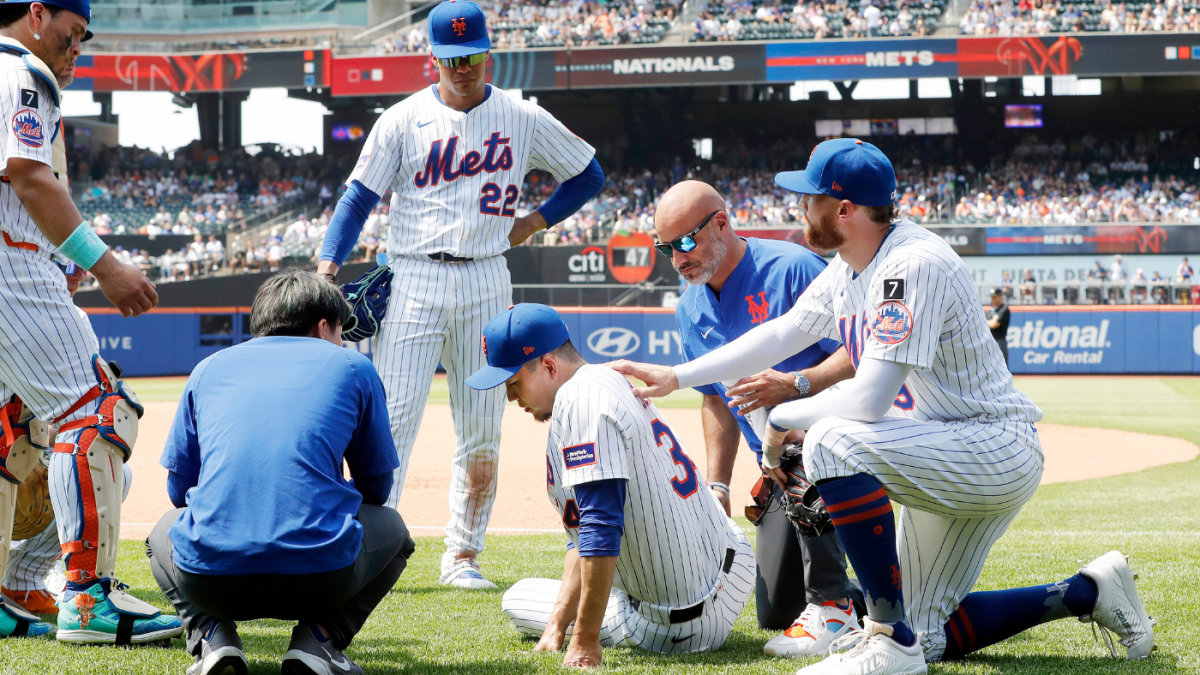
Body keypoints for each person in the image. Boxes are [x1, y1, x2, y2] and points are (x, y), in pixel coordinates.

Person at [611, 138, 1154, 674]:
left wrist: (777, 424)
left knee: (832, 440)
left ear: (843, 210)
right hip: (942, 442)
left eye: (810, 198)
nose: (800, 208)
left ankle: (885, 638)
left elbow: (869, 399)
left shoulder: (911, 263)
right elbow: (783, 332)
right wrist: (676, 376)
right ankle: (1088, 592)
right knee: (930, 637)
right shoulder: (852, 264)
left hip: (993, 446)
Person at [315, 0, 604, 589]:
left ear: (488, 54)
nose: (461, 67)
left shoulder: (521, 116)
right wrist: (326, 269)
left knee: (482, 429)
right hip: (413, 274)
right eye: (450, 58)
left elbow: (589, 173)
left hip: (486, 276)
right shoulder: (400, 119)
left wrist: (536, 221)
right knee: (388, 426)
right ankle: (372, 549)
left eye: (470, 56)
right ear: (433, 58)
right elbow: (358, 198)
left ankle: (464, 556)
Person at [0, 0, 179, 644]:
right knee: (96, 412)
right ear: (37, 14)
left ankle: (10, 587)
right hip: (10, 268)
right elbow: (26, 174)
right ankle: (84, 599)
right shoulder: (21, 69)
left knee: (9, 432)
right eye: (74, 33)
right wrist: (103, 265)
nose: (79, 47)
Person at [148, 270, 415, 675]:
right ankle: (318, 642)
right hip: (322, 577)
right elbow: (377, 490)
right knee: (394, 532)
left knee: (161, 531)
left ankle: (212, 639)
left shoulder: (207, 368)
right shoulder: (353, 366)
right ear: (324, 326)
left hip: (210, 580)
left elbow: (178, 490)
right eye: (341, 330)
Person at [466, 304, 754, 667]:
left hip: (681, 626)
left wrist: (584, 640)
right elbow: (584, 531)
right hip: (735, 566)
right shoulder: (605, 378)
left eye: (513, 383)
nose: (510, 397)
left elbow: (600, 527)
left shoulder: (581, 402)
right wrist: (557, 626)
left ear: (550, 366)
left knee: (517, 598)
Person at [654, 180, 867, 656]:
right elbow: (715, 401)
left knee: (798, 440)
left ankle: (839, 605)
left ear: (722, 224)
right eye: (665, 247)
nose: (677, 258)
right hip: (775, 471)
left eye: (685, 242)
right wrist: (717, 485)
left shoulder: (793, 269)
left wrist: (798, 387)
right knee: (776, 614)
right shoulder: (689, 308)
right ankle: (873, 605)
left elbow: (859, 355)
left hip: (838, 449)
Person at [3, 265, 132, 618]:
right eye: (66, 263)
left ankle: (22, 578)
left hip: (31, 453)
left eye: (81, 265)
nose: (79, 274)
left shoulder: (74, 319)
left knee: (105, 462)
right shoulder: (8, 303)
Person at [986, 287, 1011, 366]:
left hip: (1000, 341)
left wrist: (987, 322)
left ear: (1000, 296)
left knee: (1002, 366)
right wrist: (990, 322)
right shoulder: (990, 311)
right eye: (991, 296)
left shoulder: (1004, 309)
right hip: (989, 341)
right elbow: (985, 324)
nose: (992, 299)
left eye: (994, 296)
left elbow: (995, 324)